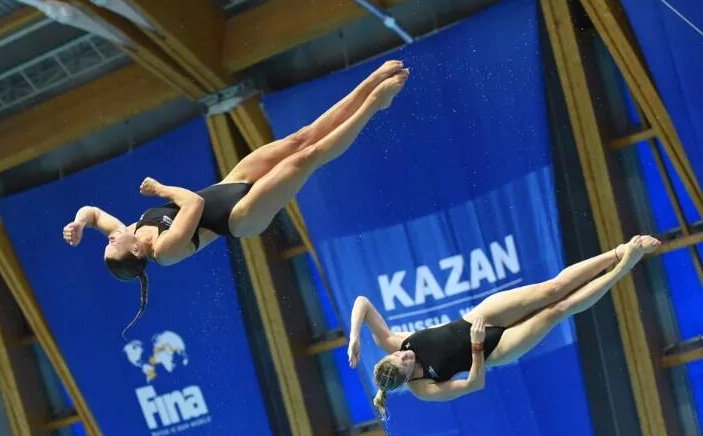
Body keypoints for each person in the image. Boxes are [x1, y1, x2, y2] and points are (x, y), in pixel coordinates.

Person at [62, 61, 410, 334]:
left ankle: (368, 83)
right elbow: (194, 205)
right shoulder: (164, 253)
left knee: (300, 139)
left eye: (108, 239)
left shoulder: (132, 232)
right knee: (307, 157)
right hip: (240, 215)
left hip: (230, 183)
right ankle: (374, 105)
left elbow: (92, 213)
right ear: (135, 252)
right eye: (112, 242)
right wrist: (162, 190)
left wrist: (79, 223)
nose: (111, 234)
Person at [347, 235, 661, 415]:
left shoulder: (391, 343)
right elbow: (474, 385)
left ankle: (618, 252)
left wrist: (354, 337)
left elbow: (362, 301)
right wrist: (476, 346)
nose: (405, 356)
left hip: (478, 317)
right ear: (405, 379)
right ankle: (622, 270)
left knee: (549, 291)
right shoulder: (424, 390)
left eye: (397, 356)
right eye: (405, 363)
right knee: (557, 310)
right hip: (494, 349)